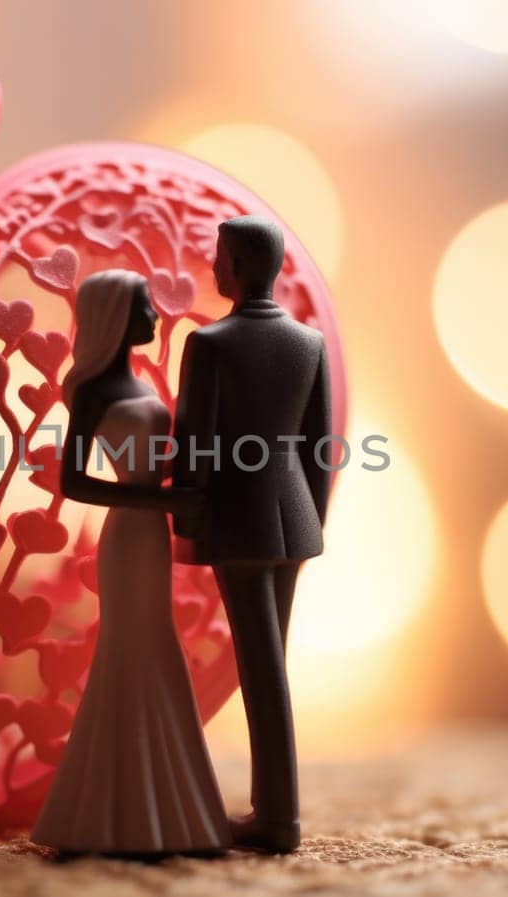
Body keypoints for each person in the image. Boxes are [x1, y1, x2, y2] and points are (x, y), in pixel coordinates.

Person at [29, 269, 229, 857]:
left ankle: (158, 809)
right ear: (114, 317)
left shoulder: (136, 381)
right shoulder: (90, 392)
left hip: (152, 537)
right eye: (143, 308)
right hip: (128, 538)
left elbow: (146, 462)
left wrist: (186, 480)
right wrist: (164, 498)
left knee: (155, 651)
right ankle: (119, 811)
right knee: (130, 653)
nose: (154, 317)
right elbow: (77, 482)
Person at [171, 216, 331, 854]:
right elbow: (320, 449)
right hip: (293, 519)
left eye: (219, 257)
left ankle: (278, 817)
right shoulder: (308, 344)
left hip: (238, 519)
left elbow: (197, 446)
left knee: (260, 667)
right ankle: (273, 807)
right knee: (270, 665)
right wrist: (309, 519)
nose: (213, 268)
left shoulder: (211, 345)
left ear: (237, 267)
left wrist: (188, 520)